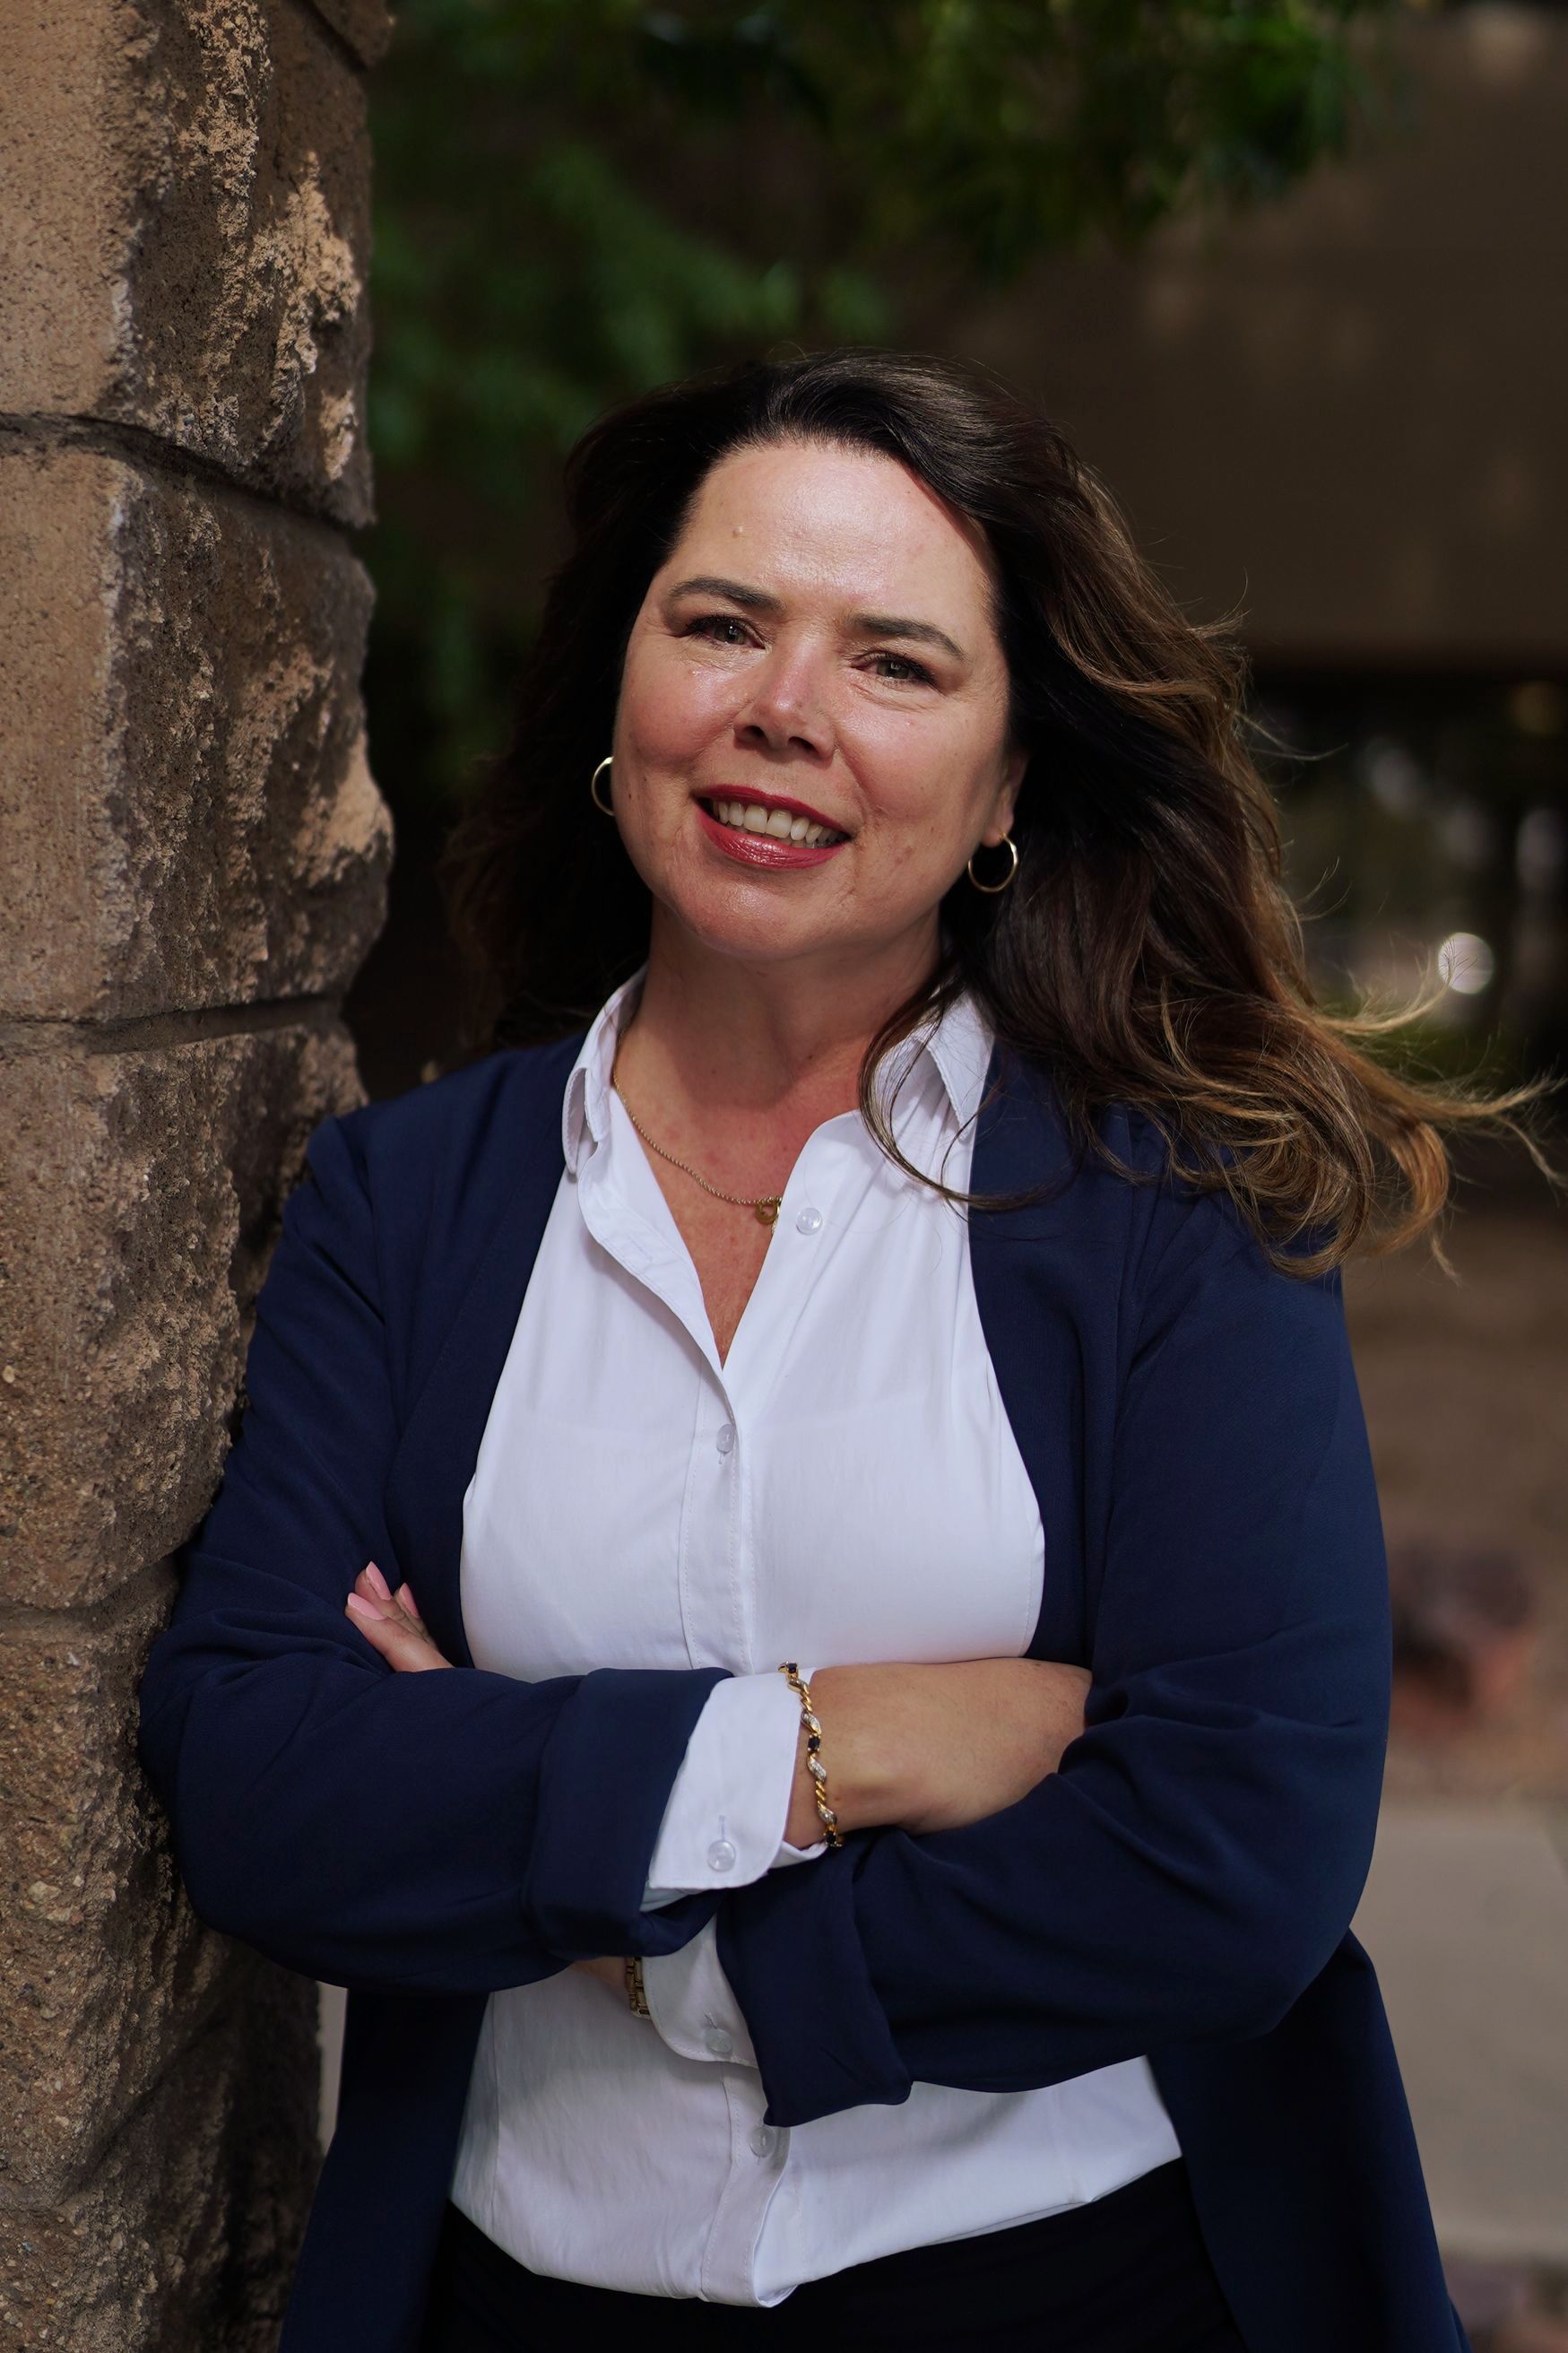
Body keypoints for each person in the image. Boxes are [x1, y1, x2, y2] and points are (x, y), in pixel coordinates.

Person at [137, 350, 1543, 2353]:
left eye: (893, 660)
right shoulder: (407, 1203)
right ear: (621, 704)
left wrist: (641, 1934)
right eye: (717, 623)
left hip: (1084, 2291)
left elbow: (1232, 1861)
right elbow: (262, 1782)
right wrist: (826, 1745)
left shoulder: (1177, 1206)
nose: (779, 708)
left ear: (1002, 787)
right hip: (517, 2294)